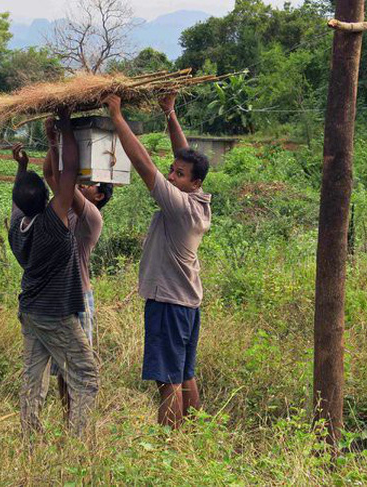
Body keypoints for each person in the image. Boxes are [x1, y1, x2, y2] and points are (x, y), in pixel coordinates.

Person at [103, 93, 212, 429]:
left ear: (193, 183)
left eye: (178, 175)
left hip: (168, 303)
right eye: (172, 171)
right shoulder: (199, 201)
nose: (171, 176)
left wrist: (117, 117)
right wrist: (170, 113)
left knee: (168, 383)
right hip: (186, 305)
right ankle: (195, 437)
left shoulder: (179, 206)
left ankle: (169, 446)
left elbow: (144, 165)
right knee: (184, 375)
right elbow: (183, 157)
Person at [11, 118, 113, 419]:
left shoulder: (19, 222)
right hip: (58, 308)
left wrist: (22, 167)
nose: (85, 185)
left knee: (33, 378)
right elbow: (64, 174)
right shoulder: (55, 222)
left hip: (33, 307)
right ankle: (77, 441)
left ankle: (31, 440)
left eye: (93, 185)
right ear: (46, 199)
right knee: (85, 376)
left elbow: (50, 181)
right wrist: (65, 128)